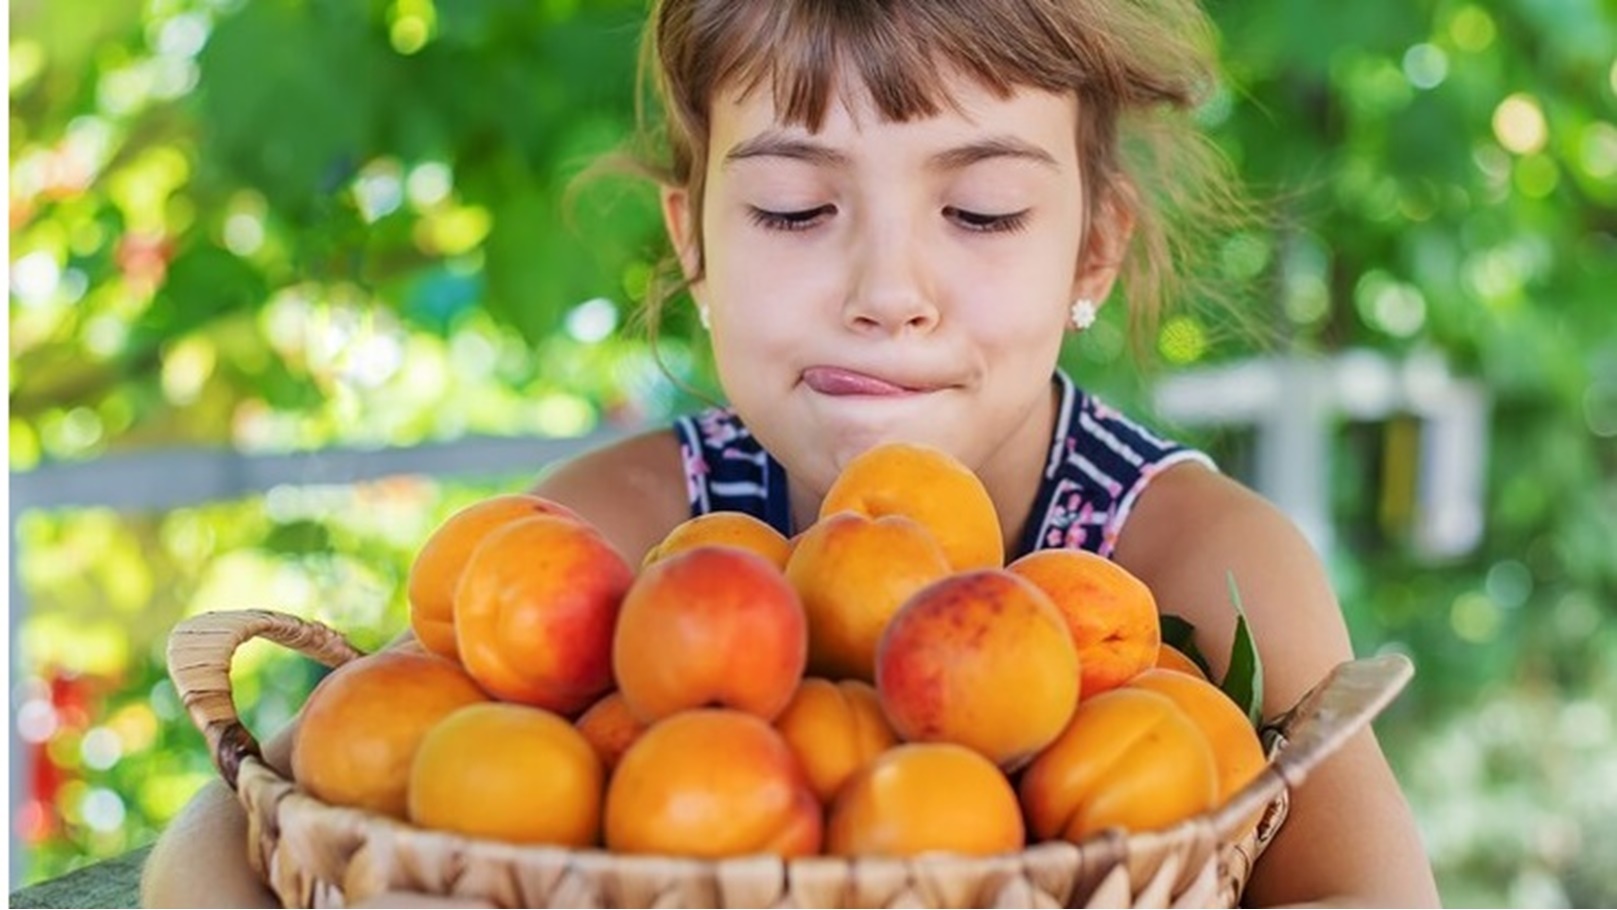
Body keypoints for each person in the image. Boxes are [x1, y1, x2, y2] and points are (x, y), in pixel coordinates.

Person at [142, 0, 1443, 906]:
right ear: (692, 241)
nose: (889, 289)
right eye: (793, 207)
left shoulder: (1197, 565)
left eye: (981, 210)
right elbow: (286, 792)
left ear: (1092, 249)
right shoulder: (608, 537)